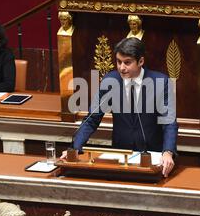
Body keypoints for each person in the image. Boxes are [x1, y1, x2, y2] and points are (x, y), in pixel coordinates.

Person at [61, 37, 178, 177]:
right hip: (121, 157)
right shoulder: (110, 81)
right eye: (118, 62)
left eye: (127, 62)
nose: (122, 68)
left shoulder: (160, 82)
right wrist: (74, 148)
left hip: (154, 157)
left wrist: (167, 152)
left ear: (140, 61)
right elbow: (92, 119)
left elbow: (169, 122)